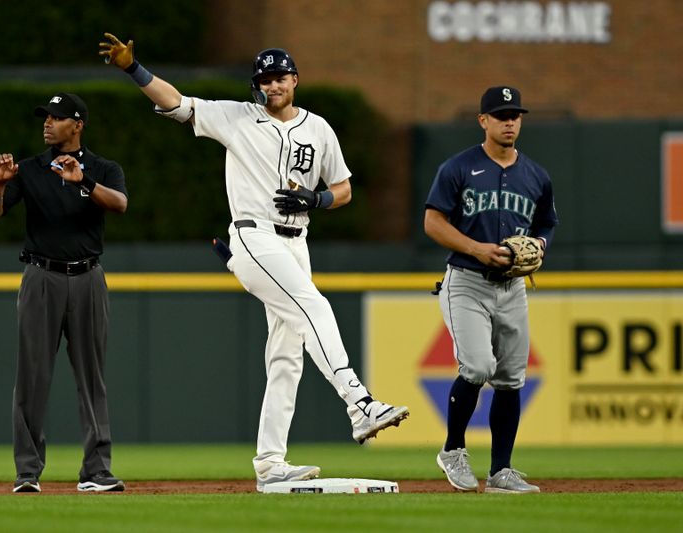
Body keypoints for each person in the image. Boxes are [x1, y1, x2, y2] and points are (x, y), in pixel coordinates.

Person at [99, 33, 409, 491]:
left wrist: (317, 197)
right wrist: (133, 68)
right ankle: (359, 403)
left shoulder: (319, 128)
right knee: (314, 307)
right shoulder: (236, 117)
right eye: (264, 78)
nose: (273, 85)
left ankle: (269, 461)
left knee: (287, 355)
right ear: (256, 85)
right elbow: (179, 104)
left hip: (296, 242)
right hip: (254, 235)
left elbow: (343, 189)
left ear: (295, 80)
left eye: (280, 76)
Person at [0, 92, 129, 493]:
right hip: (40, 277)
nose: (47, 123)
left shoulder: (102, 168)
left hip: (88, 278)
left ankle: (96, 471)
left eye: (57, 117)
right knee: (32, 376)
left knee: (91, 378)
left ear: (77, 125)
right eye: (45, 117)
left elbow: (119, 204)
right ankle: (27, 472)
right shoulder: (28, 170)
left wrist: (85, 181)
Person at [424, 86, 559, 493]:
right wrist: (475, 248)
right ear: (483, 120)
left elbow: (546, 224)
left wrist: (540, 245)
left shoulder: (536, 175)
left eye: (515, 115)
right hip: (466, 282)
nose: (509, 122)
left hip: (513, 287)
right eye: (500, 115)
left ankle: (501, 470)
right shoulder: (458, 168)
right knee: (478, 366)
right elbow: (433, 222)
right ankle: (453, 450)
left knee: (511, 378)